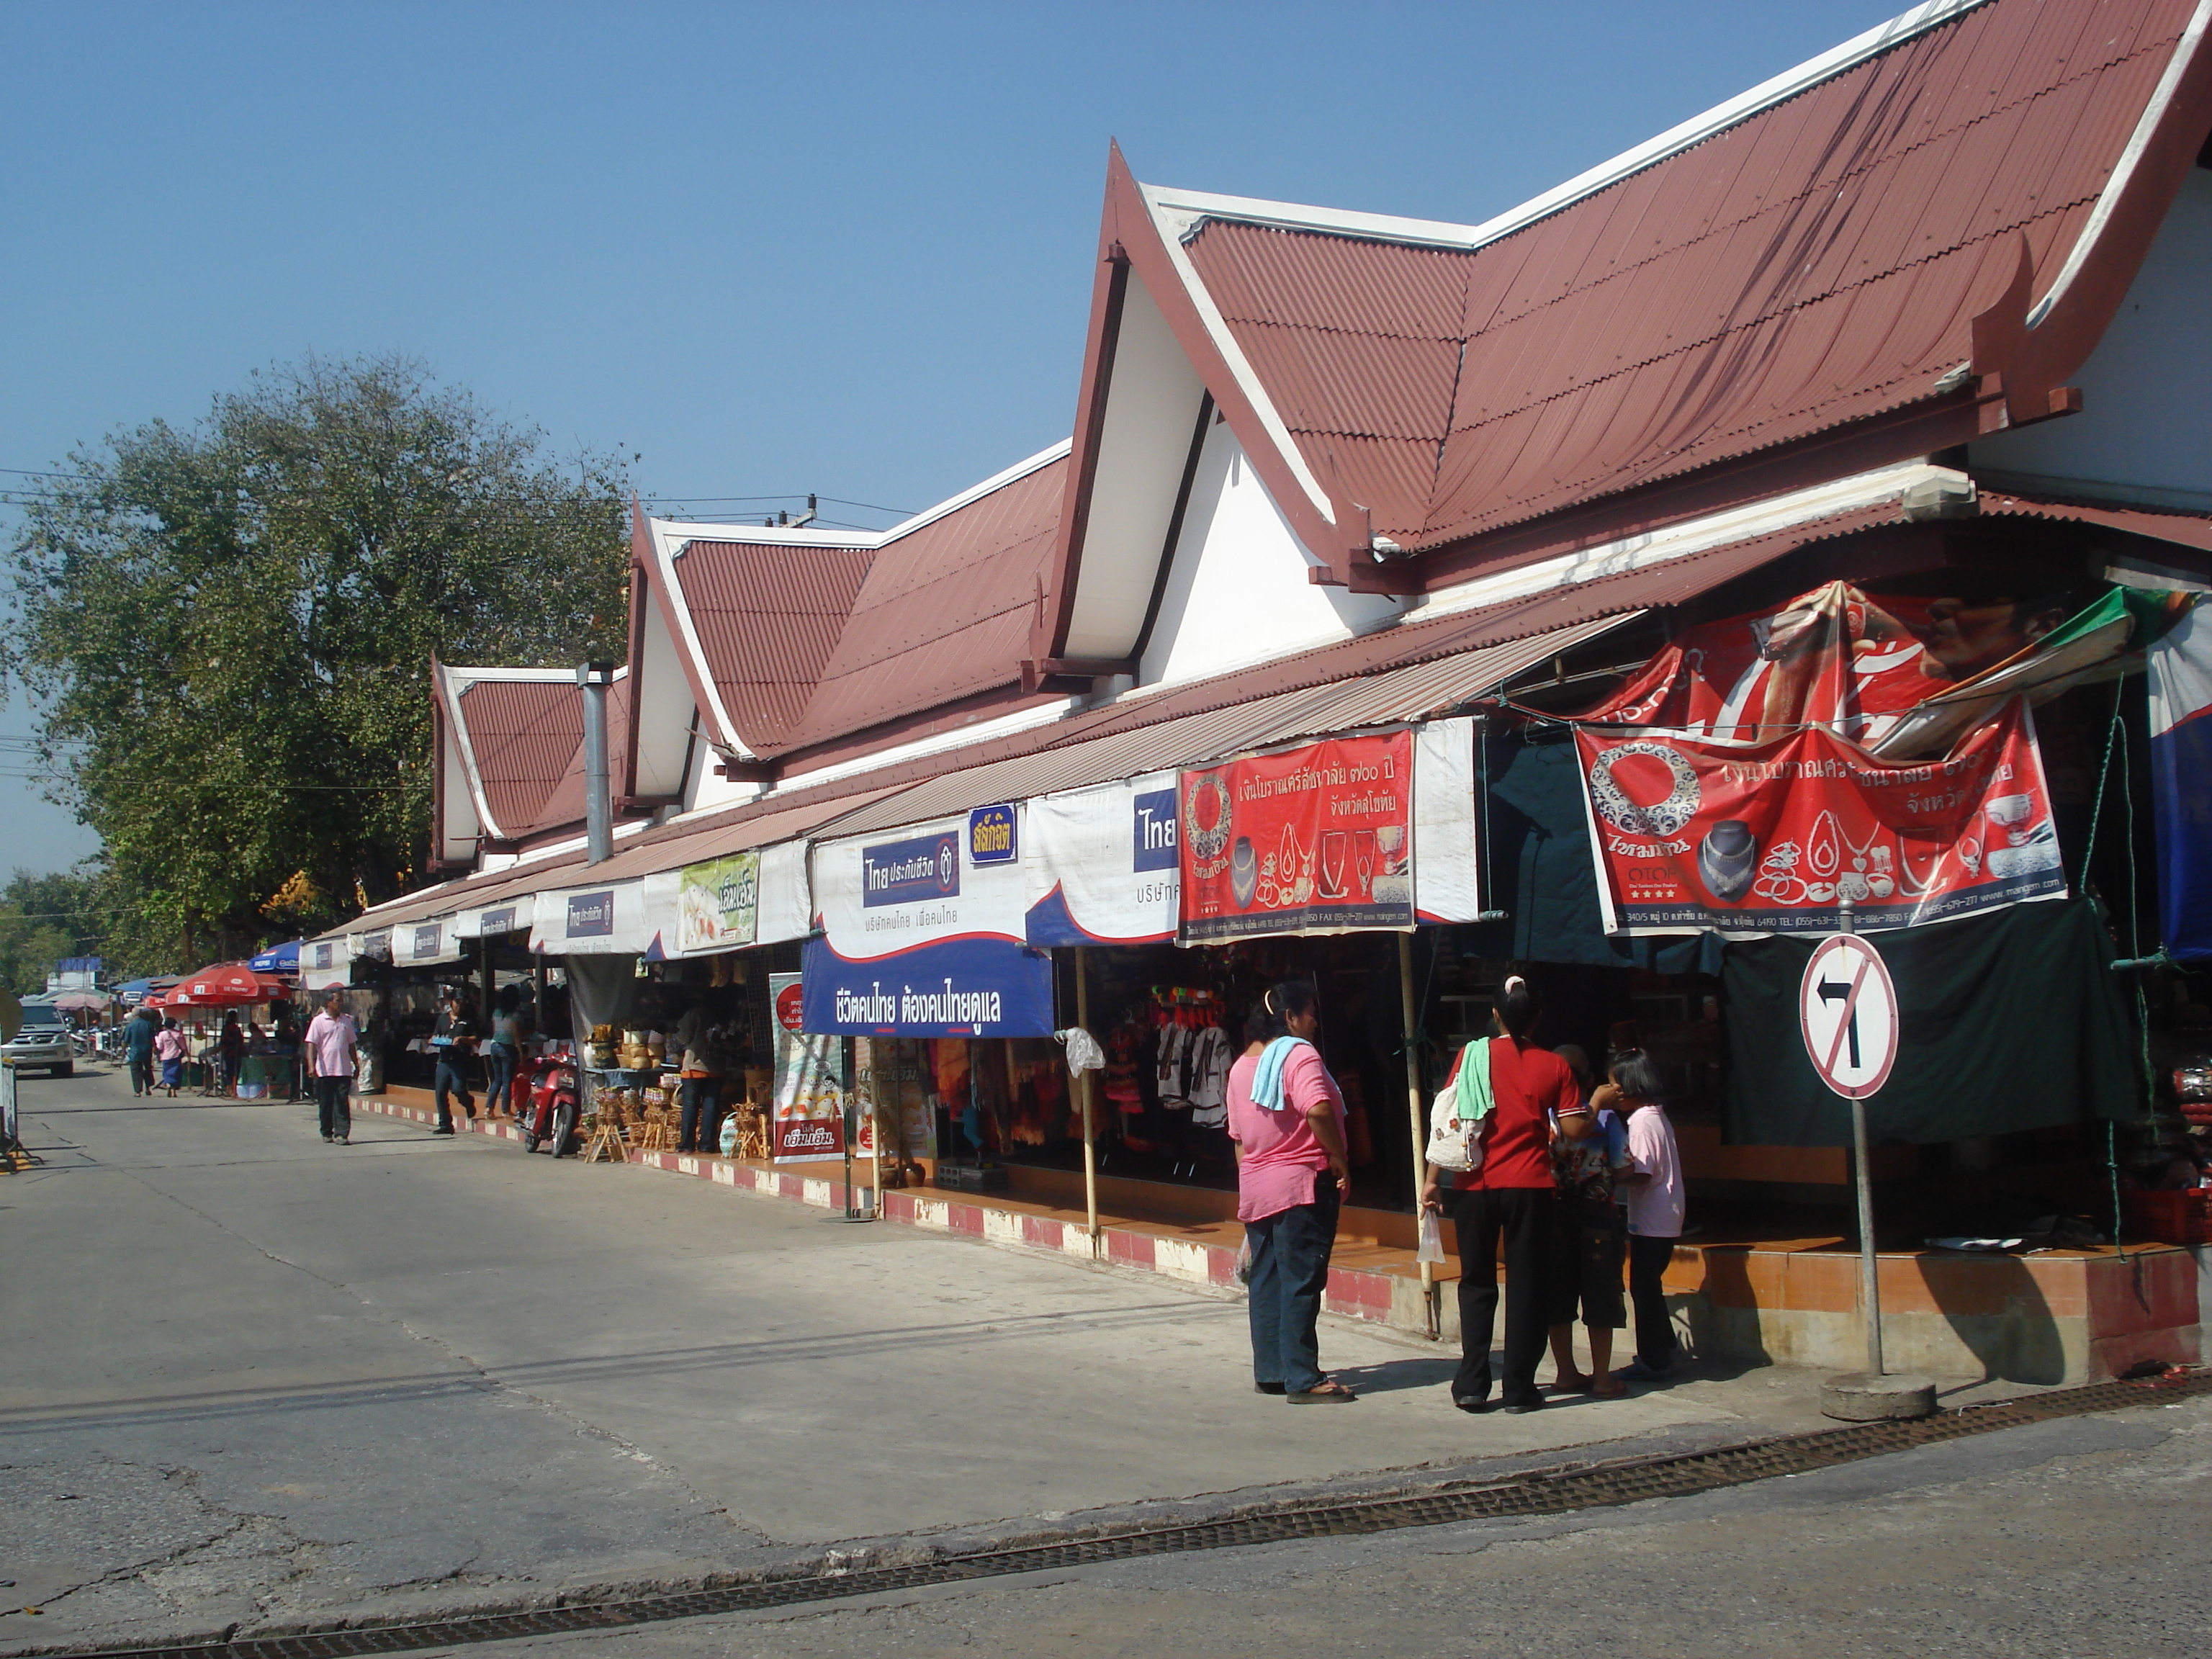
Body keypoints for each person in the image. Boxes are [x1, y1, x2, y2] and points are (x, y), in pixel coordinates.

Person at [1421, 974, 1578, 1415]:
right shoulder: (1556, 1065)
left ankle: (1472, 1383)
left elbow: (1450, 1120)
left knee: (1476, 1281)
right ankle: (1519, 1388)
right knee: (1528, 1285)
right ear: (1538, 1016)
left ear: (1494, 1015)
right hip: (1531, 1186)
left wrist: (1434, 1177)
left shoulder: (1471, 1056)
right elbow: (1571, 1128)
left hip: (1475, 1184)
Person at [1227, 981, 1355, 1404]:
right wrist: (1337, 1156)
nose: (1315, 1021)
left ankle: (1272, 1371)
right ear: (1290, 1018)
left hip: (1258, 1186)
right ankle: (1303, 1378)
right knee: (1300, 1280)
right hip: (1301, 1183)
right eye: (1310, 1012)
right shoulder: (1299, 1055)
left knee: (1266, 1279)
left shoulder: (1241, 1067)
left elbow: (1239, 1140)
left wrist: (1253, 1176)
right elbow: (1317, 1109)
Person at [1601, 1049, 1686, 1382]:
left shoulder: (1642, 1122)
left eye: (1614, 1085)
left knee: (1643, 1287)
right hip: (1660, 1217)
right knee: (1649, 1285)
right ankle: (1663, 1346)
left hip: (1655, 1220)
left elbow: (1644, 1172)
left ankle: (1654, 1359)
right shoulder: (1654, 1117)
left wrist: (1614, 1175)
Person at [1544, 1097, 1630, 1398]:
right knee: (1601, 1294)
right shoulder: (1606, 1118)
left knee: (1558, 1296)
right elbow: (1623, 1168)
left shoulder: (1546, 1117)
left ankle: (1566, 1372)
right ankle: (1603, 1378)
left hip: (1554, 1216)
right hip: (1597, 1217)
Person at [672, 992, 739, 1154]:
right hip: (716, 1066)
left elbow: (683, 1036)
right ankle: (707, 1145)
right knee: (711, 1106)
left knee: (690, 1106)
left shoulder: (695, 1014)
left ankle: (687, 1144)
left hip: (695, 1065)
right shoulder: (723, 1014)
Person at [305, 988, 359, 1145]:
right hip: (325, 1070)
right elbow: (311, 1045)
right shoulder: (319, 1021)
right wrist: (311, 1065)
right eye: (337, 1001)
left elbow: (351, 1044)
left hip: (343, 1069)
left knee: (342, 1101)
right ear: (328, 1003)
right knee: (326, 1102)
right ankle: (327, 1131)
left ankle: (342, 1133)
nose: (341, 1004)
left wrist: (356, 1063)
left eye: (341, 1001)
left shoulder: (346, 1021)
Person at [430, 989, 477, 1136]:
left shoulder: (468, 1020)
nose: (459, 1006)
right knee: (440, 1093)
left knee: (458, 1089)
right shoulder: (443, 1019)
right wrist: (433, 1040)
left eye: (462, 1003)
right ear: (451, 1002)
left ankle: (468, 1102)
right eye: (457, 1002)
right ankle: (445, 1124)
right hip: (444, 1059)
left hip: (460, 1059)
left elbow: (476, 1037)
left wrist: (463, 1039)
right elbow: (435, 1034)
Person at [485, 986, 521, 1118]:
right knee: (507, 1081)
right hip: (507, 1048)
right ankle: (505, 1110)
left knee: (497, 1079)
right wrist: (521, 1052)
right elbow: (516, 1035)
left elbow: (494, 1029)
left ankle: (489, 1109)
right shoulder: (515, 1015)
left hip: (494, 1045)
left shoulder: (496, 1012)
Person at [124, 1005, 159, 1097]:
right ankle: (148, 1088)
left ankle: (138, 1091)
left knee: (136, 1071)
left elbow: (125, 1040)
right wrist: (156, 1049)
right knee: (148, 1069)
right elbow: (153, 1039)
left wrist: (123, 1051)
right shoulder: (148, 1024)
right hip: (147, 1051)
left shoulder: (130, 1026)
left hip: (135, 1052)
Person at [153, 1018, 189, 1097]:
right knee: (176, 1073)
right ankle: (174, 1088)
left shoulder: (162, 1034)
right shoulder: (178, 1034)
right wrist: (188, 1054)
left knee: (167, 1072)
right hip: (176, 1056)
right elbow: (183, 1046)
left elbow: (159, 1047)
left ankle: (168, 1084)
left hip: (166, 1056)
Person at [217, 1015, 245, 1096]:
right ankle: (232, 1089)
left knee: (230, 1071)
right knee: (233, 1071)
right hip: (232, 1051)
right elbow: (238, 1040)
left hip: (228, 1051)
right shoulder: (234, 1028)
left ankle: (230, 1089)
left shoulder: (226, 1028)